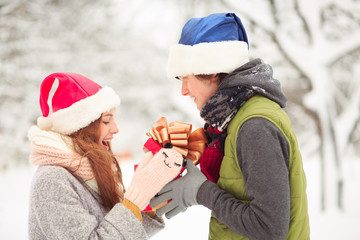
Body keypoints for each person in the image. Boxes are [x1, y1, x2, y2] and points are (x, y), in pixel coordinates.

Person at [150, 13, 310, 239]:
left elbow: (269, 229)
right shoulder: (234, 120)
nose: (183, 90)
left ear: (212, 69)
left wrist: (201, 191)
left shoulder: (255, 127)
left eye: (186, 77)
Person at [28, 72, 184, 239]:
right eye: (106, 121)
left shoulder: (88, 171)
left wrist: (149, 201)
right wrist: (133, 202)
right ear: (81, 126)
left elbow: (114, 231)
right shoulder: (53, 181)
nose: (116, 128)